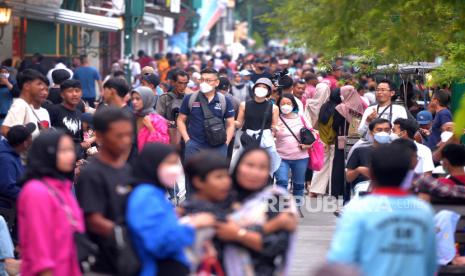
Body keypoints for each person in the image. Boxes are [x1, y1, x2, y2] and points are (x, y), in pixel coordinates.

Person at [327, 143, 437, 276]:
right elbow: (430, 264)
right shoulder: (424, 211)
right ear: (410, 170)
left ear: (371, 172)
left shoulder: (357, 209)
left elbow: (340, 261)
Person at [126, 143, 215, 276]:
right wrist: (193, 225)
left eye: (176, 163)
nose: (174, 169)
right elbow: (160, 244)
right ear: (152, 164)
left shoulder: (155, 193)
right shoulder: (146, 196)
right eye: (169, 163)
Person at [217, 148, 297, 276]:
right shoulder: (221, 197)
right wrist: (273, 225)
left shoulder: (277, 200)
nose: (254, 172)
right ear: (238, 166)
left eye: (262, 168)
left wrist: (237, 233)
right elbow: (217, 234)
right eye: (249, 165)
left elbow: (275, 246)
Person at [18, 130, 84, 276]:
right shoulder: (36, 191)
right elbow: (39, 250)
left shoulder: (63, 187)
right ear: (46, 153)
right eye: (63, 150)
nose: (70, 155)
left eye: (71, 150)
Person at [75, 107, 133, 274]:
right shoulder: (93, 173)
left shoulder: (126, 169)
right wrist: (126, 234)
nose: (126, 140)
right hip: (102, 261)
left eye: (129, 135)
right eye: (119, 136)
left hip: (126, 259)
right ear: (100, 136)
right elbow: (93, 220)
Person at [177, 68, 235, 158]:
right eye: (202, 80)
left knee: (216, 172)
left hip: (218, 147)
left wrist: (226, 143)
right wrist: (187, 140)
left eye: (208, 80)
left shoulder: (224, 100)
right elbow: (180, 120)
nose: (204, 83)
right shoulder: (190, 98)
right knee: (192, 172)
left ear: (217, 83)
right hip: (194, 146)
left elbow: (231, 124)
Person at [234, 77, 281, 174]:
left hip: (266, 141)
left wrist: (275, 129)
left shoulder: (274, 107)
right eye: (259, 86)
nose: (261, 89)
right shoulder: (244, 105)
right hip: (248, 139)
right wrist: (228, 120)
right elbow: (239, 124)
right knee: (243, 165)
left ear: (268, 91)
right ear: (254, 88)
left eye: (264, 87)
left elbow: (274, 125)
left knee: (267, 166)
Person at [275, 94, 311, 206]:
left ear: (293, 105)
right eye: (282, 104)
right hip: (280, 157)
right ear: (278, 106)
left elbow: (313, 134)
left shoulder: (301, 118)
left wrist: (308, 145)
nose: (285, 106)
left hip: (300, 157)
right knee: (282, 182)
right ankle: (283, 207)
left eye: (288, 103)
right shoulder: (275, 118)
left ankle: (296, 208)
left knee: (299, 184)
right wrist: (273, 130)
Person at [345, 118, 392, 203]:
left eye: (386, 130)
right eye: (379, 130)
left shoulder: (397, 151)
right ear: (371, 132)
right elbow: (348, 178)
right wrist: (359, 170)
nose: (383, 132)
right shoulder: (360, 151)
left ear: (390, 132)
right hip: (364, 185)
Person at [332, 85, 366, 198]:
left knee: (339, 164)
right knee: (353, 163)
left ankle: (339, 190)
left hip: (342, 140)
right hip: (356, 140)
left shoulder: (341, 108)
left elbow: (335, 125)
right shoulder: (360, 107)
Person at [309, 89, 341, 196]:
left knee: (321, 166)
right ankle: (333, 191)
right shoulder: (338, 109)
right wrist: (329, 141)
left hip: (322, 140)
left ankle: (315, 190)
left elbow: (320, 125)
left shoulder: (324, 107)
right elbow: (333, 128)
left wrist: (324, 140)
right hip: (332, 141)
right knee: (333, 166)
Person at [1, 69, 50, 137]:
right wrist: (22, 144)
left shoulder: (41, 110)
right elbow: (5, 130)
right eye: (39, 84)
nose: (43, 89)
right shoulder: (20, 104)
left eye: (47, 89)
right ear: (27, 86)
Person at [48, 80, 86, 158]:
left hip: (76, 157)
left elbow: (79, 138)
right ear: (62, 94)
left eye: (77, 91)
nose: (74, 94)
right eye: (70, 91)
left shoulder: (79, 113)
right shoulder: (54, 110)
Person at [0, 123, 34, 201]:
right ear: (25, 143)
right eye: (30, 137)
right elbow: (7, 188)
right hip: (11, 207)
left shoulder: (12, 151)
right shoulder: (6, 160)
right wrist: (31, 196)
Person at [131, 86, 169, 151]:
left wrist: (150, 128)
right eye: (133, 99)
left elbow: (163, 144)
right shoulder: (132, 116)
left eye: (137, 99)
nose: (134, 102)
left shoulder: (158, 120)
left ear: (147, 99)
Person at [156, 70, 189, 146]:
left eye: (185, 83)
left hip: (186, 137)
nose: (183, 86)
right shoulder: (164, 98)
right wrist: (169, 122)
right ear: (173, 83)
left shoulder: (189, 98)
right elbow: (158, 118)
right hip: (169, 136)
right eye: (180, 83)